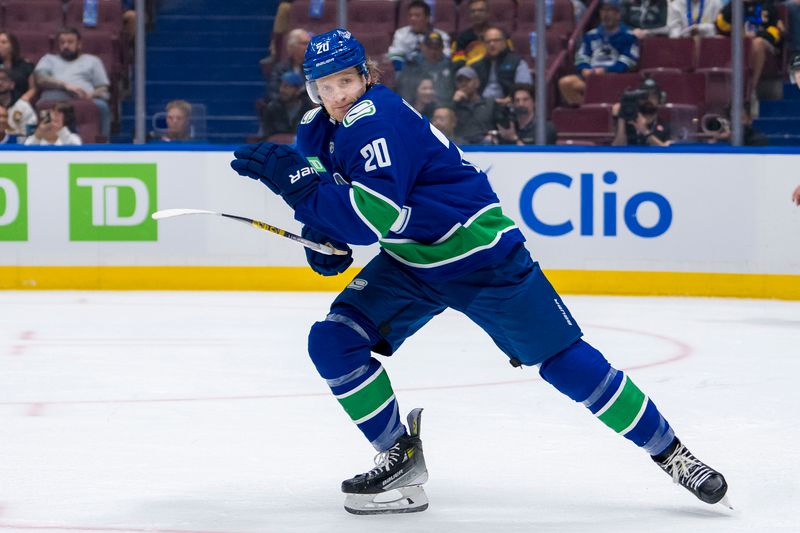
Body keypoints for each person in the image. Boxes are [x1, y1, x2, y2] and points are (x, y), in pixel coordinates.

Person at [230, 28, 729, 516]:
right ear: (311, 89)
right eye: (325, 86)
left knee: (565, 363)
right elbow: (336, 210)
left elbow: (370, 217)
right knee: (333, 342)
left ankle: (672, 453)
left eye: (346, 81)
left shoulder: (374, 117)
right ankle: (399, 458)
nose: (337, 95)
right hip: (413, 261)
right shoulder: (316, 128)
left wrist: (295, 187)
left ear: (366, 77)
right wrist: (323, 238)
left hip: (481, 257)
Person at [34, 27, 111, 140]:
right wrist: (65, 85)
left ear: (79, 44)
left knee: (102, 106)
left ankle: (105, 144)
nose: (65, 46)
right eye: (62, 42)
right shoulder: (48, 59)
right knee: (40, 104)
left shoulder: (93, 61)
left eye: (70, 42)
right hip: (54, 98)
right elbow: (41, 79)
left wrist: (91, 95)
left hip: (85, 99)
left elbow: (103, 88)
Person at [558, 0, 639, 106]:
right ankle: (587, 111)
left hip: (615, 79)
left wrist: (606, 70)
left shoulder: (629, 36)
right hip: (591, 78)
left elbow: (629, 60)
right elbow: (582, 56)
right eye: (603, 10)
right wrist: (584, 69)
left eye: (610, 10)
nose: (606, 14)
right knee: (565, 83)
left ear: (618, 14)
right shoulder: (590, 35)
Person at [716, 0, 783, 108]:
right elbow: (720, 26)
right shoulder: (734, 5)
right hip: (739, 42)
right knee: (719, 40)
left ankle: (750, 89)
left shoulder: (767, 6)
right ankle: (722, 90)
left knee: (757, 43)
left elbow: (776, 32)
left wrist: (756, 34)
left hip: (764, 45)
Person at [472, 27, 533, 105]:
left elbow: (524, 88)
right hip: (481, 106)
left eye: (496, 40)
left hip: (508, 105)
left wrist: (509, 99)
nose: (492, 44)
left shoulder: (517, 62)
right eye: (488, 42)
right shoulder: (477, 65)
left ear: (504, 42)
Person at [388, 0, 451, 73]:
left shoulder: (442, 36)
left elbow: (445, 57)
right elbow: (396, 57)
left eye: (417, 16)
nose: (412, 19)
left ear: (427, 18)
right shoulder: (401, 33)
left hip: (434, 72)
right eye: (410, 15)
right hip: (408, 73)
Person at [395, 31, 454, 107]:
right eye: (430, 48)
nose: (433, 52)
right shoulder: (412, 64)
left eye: (437, 48)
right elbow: (404, 91)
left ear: (442, 48)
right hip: (416, 107)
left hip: (442, 107)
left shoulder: (449, 66)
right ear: (422, 47)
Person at [612, 78, 672, 146]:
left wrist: (645, 131)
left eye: (653, 95)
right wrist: (621, 116)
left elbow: (668, 153)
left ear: (660, 99)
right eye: (644, 96)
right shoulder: (628, 122)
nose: (648, 99)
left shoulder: (666, 126)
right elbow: (617, 148)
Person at [260, 71, 315, 139]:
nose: (281, 90)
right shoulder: (272, 108)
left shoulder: (309, 109)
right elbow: (265, 136)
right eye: (281, 86)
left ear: (298, 90)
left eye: (286, 86)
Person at [451, 65, 497, 144]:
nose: (463, 84)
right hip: (461, 144)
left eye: (468, 80)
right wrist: (454, 104)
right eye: (460, 81)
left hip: (484, 144)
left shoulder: (489, 104)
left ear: (477, 83)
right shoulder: (453, 105)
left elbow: (499, 127)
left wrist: (492, 135)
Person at [267, 28, 312, 98]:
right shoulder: (280, 69)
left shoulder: (314, 67)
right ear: (292, 46)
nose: (309, 47)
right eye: (304, 43)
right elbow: (273, 92)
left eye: (309, 43)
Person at [452, 0, 491, 68]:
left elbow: (507, 57)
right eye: (473, 11)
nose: (476, 14)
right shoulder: (462, 38)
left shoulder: (499, 35)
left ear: (488, 13)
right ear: (469, 15)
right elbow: (458, 61)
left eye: (480, 10)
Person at [0, 31, 36, 104]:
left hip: (20, 103)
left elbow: (33, 88)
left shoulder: (25, 65)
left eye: (4, 42)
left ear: (13, 46)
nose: (0, 45)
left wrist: (26, 97)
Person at [0, 69, 36, 139]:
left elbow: (31, 135)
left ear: (12, 85)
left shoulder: (23, 106)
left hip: (18, 147)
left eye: (4, 79)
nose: (0, 82)